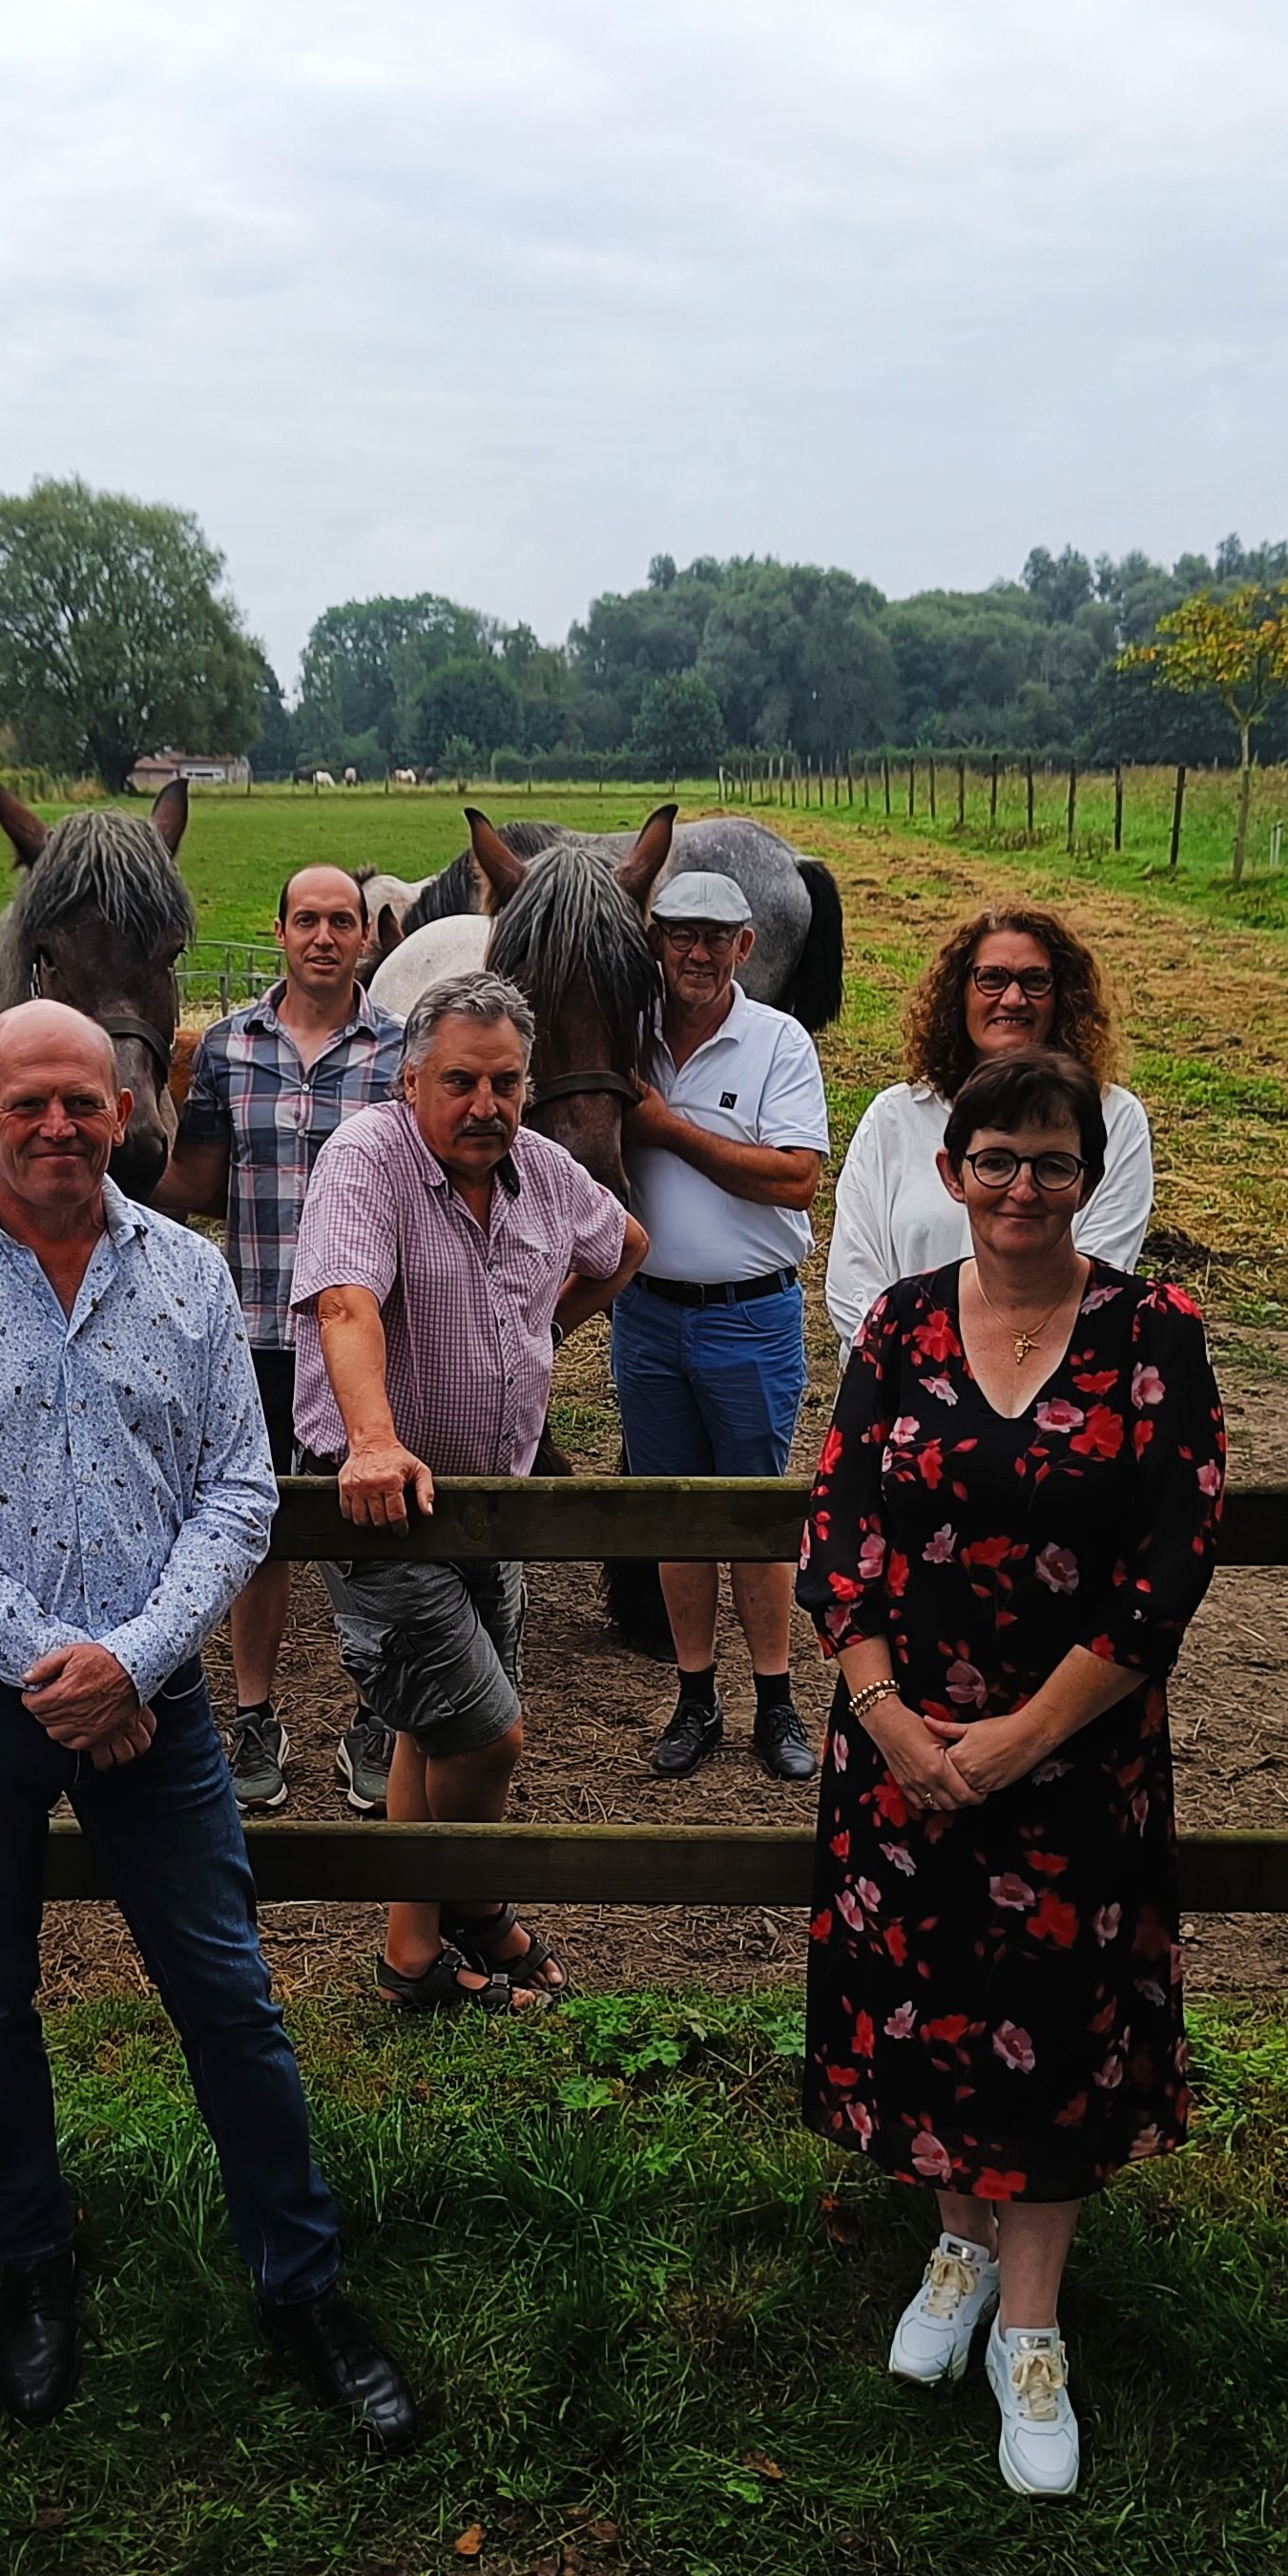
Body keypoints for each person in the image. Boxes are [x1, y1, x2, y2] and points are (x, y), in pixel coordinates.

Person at [0, 1001, 419, 2446]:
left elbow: (239, 1490)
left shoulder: (187, 1275)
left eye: (83, 1104)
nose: (57, 1129)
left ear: (125, 1111)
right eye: (26, 1104)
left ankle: (305, 2283)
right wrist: (63, 1665)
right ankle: (30, 2271)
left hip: (153, 1701)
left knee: (228, 1993)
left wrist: (139, 1658)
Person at [800, 1049, 1227, 2499]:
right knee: (926, 2004)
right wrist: (888, 1719)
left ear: (1090, 1174)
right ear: (950, 1174)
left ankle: (1029, 2331)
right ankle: (955, 2246)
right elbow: (839, 1525)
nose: (1021, 1187)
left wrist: (1026, 1736)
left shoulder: (1153, 1332)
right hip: (903, 1756)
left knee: (1048, 2022)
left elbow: (1170, 1564)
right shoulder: (901, 1330)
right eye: (996, 1161)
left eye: (1050, 1161)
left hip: (1073, 1762)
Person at [294, 970, 647, 2012]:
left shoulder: (540, 1167)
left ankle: (412, 1955)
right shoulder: (366, 1158)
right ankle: (480, 1905)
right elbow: (346, 1304)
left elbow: (623, 1245)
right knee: (487, 1732)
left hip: (499, 1505)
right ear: (411, 1081)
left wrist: (539, 1336)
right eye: (460, 1082)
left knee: (427, 1727)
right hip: (383, 1498)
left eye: (504, 1083)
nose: (485, 1105)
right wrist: (371, 1442)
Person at [159, 862, 403, 1815]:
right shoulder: (227, 1047)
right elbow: (200, 1181)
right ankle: (255, 1717)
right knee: (252, 1531)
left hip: (365, 1334)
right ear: (278, 929)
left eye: (342, 920)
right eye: (307, 918)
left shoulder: (400, 1052)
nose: (324, 937)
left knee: (369, 1528)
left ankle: (376, 1714)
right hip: (255, 1326)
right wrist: (117, 1169)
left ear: (364, 937)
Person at [612, 865, 832, 1782]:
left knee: (752, 1513)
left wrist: (664, 1127)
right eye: (678, 935)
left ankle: (775, 1700)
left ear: (747, 947)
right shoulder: (628, 1041)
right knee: (673, 1514)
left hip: (750, 1315)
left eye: (715, 937)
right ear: (654, 942)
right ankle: (696, 1697)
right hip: (650, 1315)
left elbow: (794, 1177)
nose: (695, 953)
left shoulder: (777, 1042)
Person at [828, 905, 1153, 1342]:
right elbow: (853, 1274)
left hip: (1047, 1379)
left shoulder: (1114, 1118)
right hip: (902, 1379)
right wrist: (919, 1364)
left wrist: (999, 1367)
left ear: (1064, 997)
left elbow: (1102, 1267)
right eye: (992, 978)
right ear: (959, 993)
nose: (1014, 998)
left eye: (1036, 981)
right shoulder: (895, 1117)